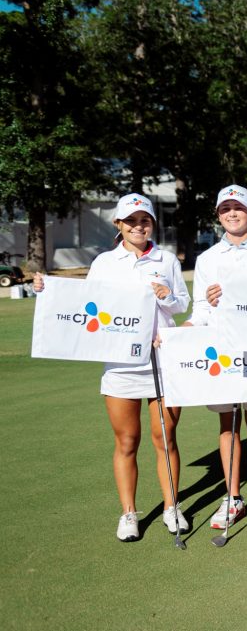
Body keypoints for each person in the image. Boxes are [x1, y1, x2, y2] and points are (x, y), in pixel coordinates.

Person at [34, 193, 191, 542]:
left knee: (165, 438)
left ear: (152, 223)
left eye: (145, 219)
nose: (139, 226)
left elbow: (182, 304)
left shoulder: (165, 259)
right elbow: (85, 304)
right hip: (120, 365)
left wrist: (166, 294)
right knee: (127, 440)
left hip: (163, 361)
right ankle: (129, 513)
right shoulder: (105, 262)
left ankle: (171, 507)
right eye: (131, 221)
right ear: (119, 224)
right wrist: (47, 289)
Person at [185, 185, 247, 531]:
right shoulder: (208, 259)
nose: (232, 213)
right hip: (221, 350)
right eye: (225, 209)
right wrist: (190, 326)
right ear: (219, 215)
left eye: (238, 208)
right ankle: (232, 495)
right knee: (227, 423)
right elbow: (199, 310)